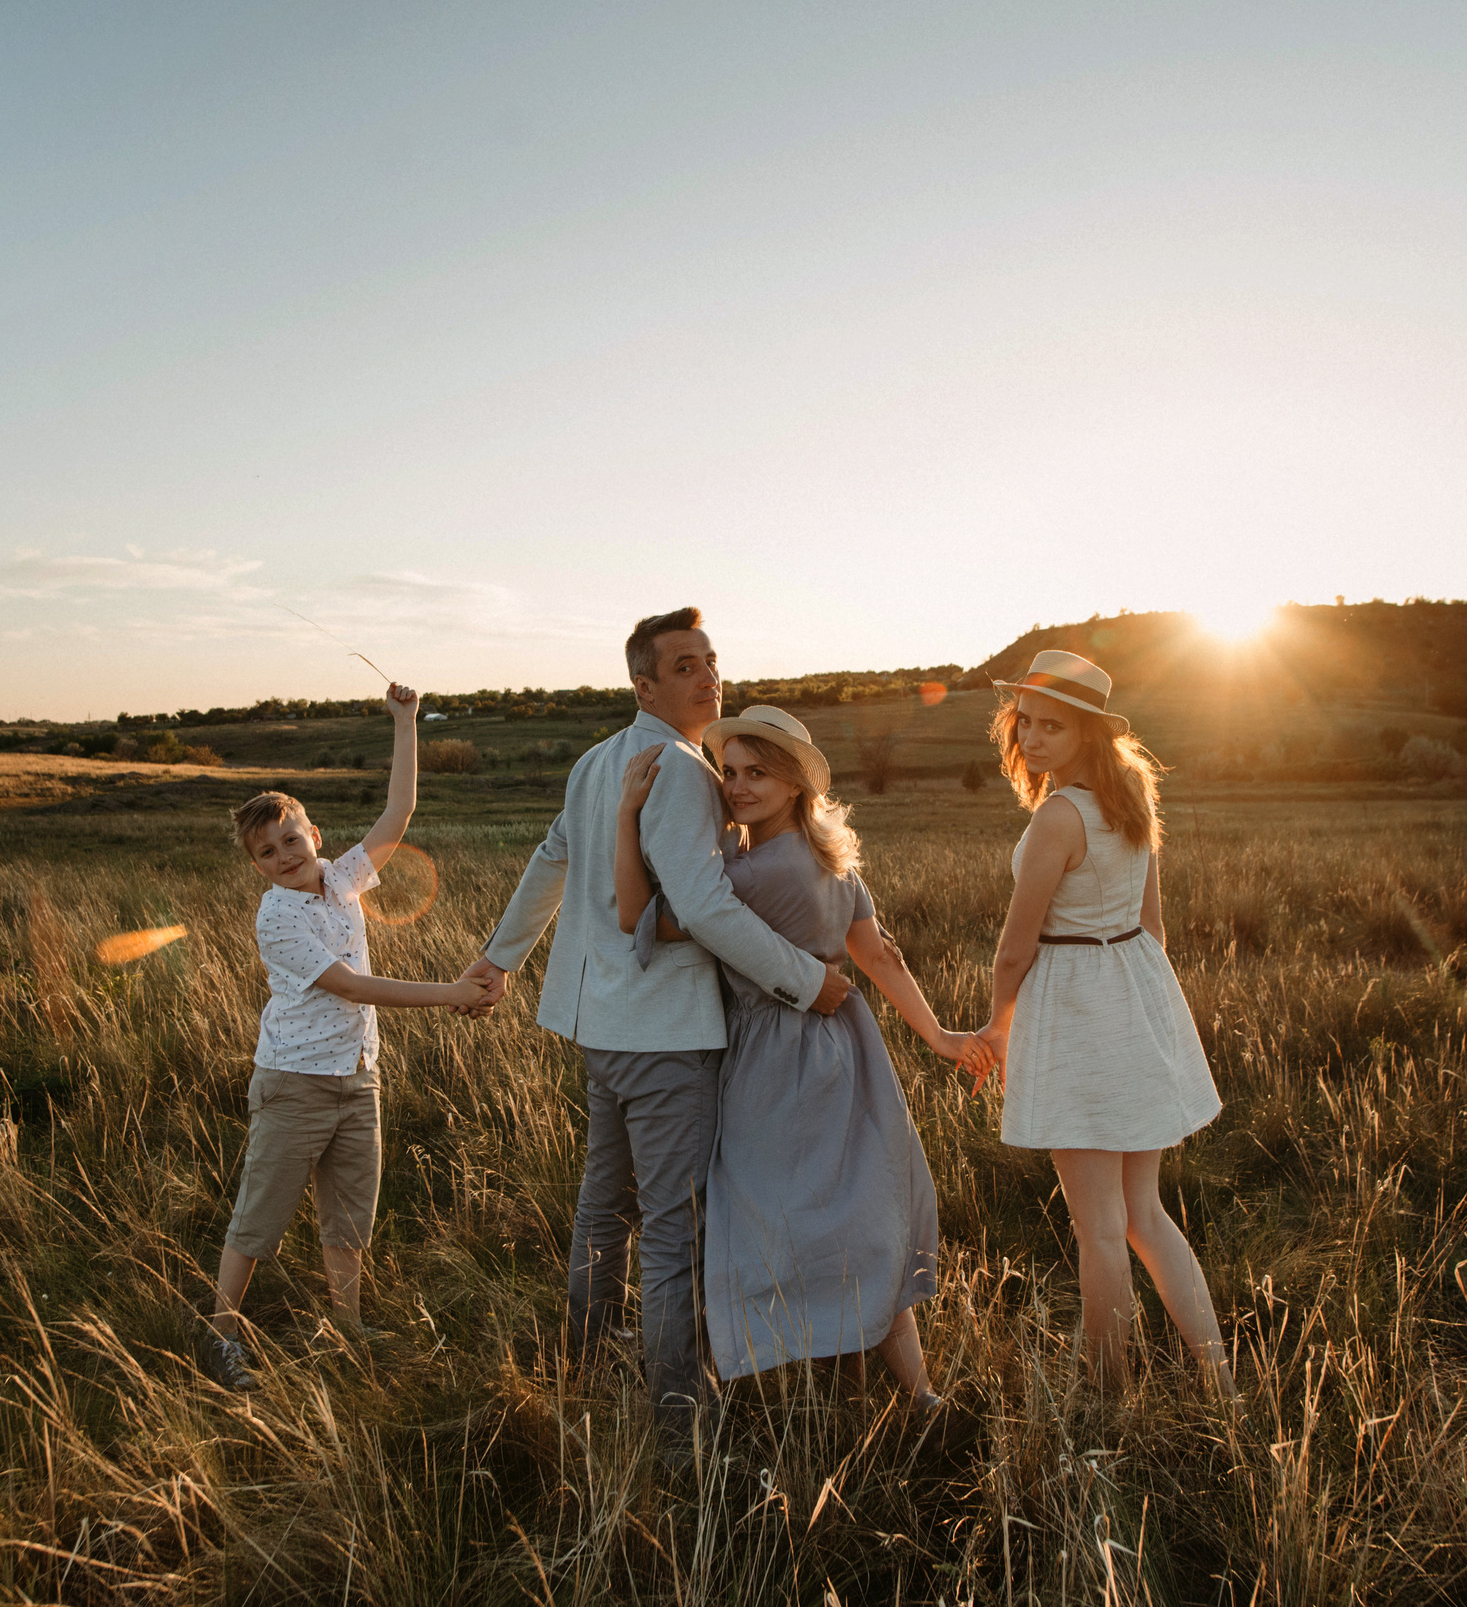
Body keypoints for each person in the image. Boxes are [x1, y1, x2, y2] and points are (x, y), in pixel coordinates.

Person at [456, 609, 854, 1451]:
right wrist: (807, 978)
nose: (708, 676)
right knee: (672, 1226)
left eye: (711, 659)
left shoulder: (598, 759)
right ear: (645, 685)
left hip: (605, 1029)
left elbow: (548, 859)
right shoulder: (676, 770)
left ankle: (584, 1368)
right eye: (684, 666)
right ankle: (678, 1423)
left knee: (606, 1208)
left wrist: (501, 958)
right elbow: (705, 907)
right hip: (665, 1036)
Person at [614, 705, 978, 1406]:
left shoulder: (755, 875)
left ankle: (780, 1386)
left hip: (775, 1058)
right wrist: (938, 1036)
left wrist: (629, 817)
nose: (738, 786)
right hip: (848, 1049)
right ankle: (916, 1394)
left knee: (770, 1214)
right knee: (853, 1210)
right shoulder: (830, 858)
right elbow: (880, 958)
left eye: (758, 773)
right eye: (729, 772)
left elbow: (636, 914)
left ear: (792, 785)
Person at [201, 682, 492, 1391]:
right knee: (259, 1218)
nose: (283, 854)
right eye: (266, 851)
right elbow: (355, 987)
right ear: (256, 865)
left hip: (358, 1076)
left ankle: (347, 1325)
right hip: (296, 1083)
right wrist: (450, 993)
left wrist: (405, 722)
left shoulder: (341, 880)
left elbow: (400, 810)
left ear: (314, 835)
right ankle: (218, 1335)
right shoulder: (278, 918)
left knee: (349, 1213)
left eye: (291, 838)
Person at [971, 649, 1232, 1394]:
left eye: (1053, 724)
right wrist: (1143, 1011)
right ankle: (1221, 1380)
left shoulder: (1060, 815)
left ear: (1089, 732)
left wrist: (998, 1027)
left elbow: (1013, 948)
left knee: (1100, 1227)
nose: (1033, 736)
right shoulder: (1132, 799)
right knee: (1143, 1214)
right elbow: (1153, 930)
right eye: (1025, 721)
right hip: (1130, 995)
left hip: (1078, 1013)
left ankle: (1108, 1393)